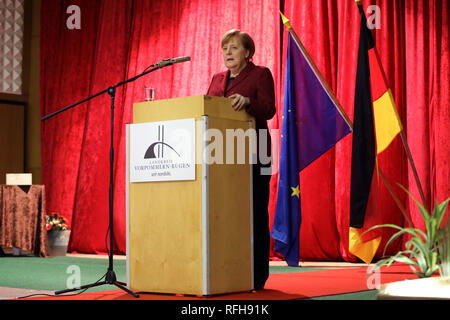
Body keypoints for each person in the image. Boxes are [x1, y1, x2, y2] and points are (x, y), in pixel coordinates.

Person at [207, 29, 276, 290]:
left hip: (255, 151)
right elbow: (208, 109)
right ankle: (226, 269)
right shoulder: (217, 78)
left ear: (247, 53)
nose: (228, 53)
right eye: (225, 48)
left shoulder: (260, 74)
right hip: (222, 153)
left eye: (234, 48)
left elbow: (269, 109)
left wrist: (248, 101)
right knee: (225, 213)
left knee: (255, 212)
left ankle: (257, 276)